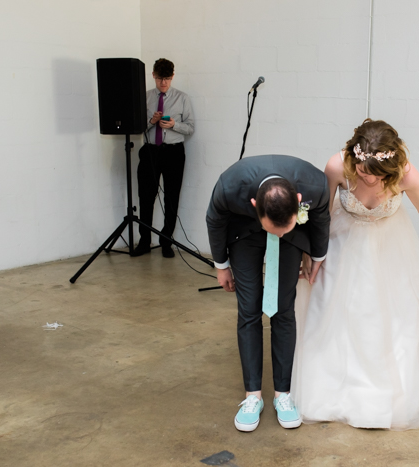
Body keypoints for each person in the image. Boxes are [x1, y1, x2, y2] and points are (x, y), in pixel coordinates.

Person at [291, 119, 419, 430]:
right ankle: (333, 383)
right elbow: (320, 211)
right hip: (342, 242)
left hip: (389, 246)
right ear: (354, 158)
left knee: (390, 317)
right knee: (335, 312)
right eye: (363, 173)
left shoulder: (406, 174)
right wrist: (311, 252)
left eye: (377, 176)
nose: (369, 179)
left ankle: (385, 391)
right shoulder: (337, 166)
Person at [206, 155, 331, 432]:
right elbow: (215, 221)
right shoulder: (230, 185)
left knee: (284, 308)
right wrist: (221, 266)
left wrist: (317, 256)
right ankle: (253, 397)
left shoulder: (316, 185)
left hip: (292, 241)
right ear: (254, 206)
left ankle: (282, 395)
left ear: (299, 200)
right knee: (249, 308)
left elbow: (321, 218)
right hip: (244, 236)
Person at [133, 58, 194, 258]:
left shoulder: (182, 98)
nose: (163, 83)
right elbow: (137, 127)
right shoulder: (146, 97)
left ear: (172, 77)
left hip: (174, 152)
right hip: (151, 150)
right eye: (160, 79)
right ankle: (144, 241)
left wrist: (174, 125)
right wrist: (152, 121)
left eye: (167, 79)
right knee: (146, 197)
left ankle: (166, 242)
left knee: (171, 197)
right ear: (153, 76)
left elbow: (191, 127)